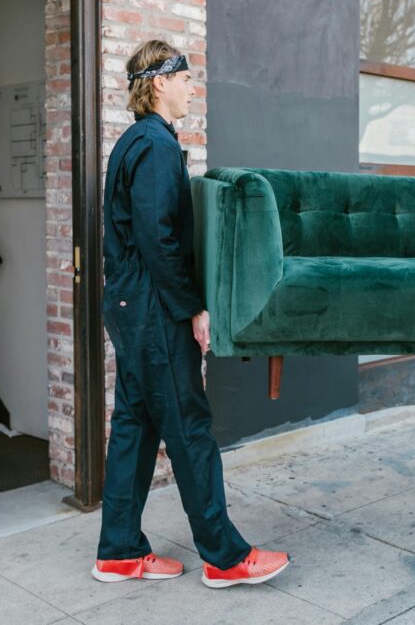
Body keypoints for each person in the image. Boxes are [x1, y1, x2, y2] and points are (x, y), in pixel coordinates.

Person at [93, 39, 289, 588]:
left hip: (130, 305)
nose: (189, 88)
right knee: (190, 426)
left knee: (134, 423)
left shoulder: (134, 142)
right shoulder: (154, 145)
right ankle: (225, 556)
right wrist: (193, 308)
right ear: (159, 82)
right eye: (183, 78)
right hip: (154, 309)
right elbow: (158, 241)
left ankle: (119, 551)